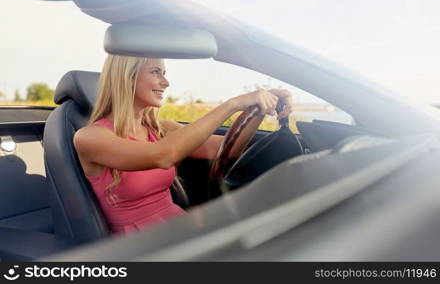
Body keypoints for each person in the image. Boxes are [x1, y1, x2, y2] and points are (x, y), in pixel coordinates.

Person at [73, 55, 293, 235]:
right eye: (155, 72)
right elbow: (163, 156)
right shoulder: (90, 137)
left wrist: (258, 108)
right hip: (138, 246)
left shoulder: (161, 129)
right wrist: (233, 104)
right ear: (126, 77)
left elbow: (226, 148)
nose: (165, 82)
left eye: (164, 73)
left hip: (178, 226)